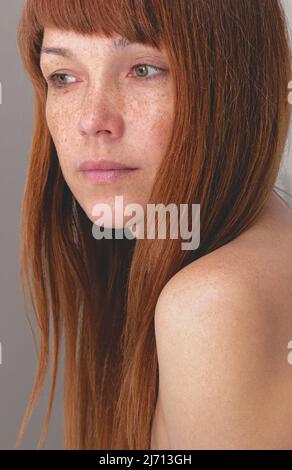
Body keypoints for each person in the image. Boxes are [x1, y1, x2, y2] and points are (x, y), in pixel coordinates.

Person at [16, 0, 292, 450]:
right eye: (63, 77)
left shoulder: (213, 303)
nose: (92, 120)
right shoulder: (262, 247)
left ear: (236, 84)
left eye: (144, 69)